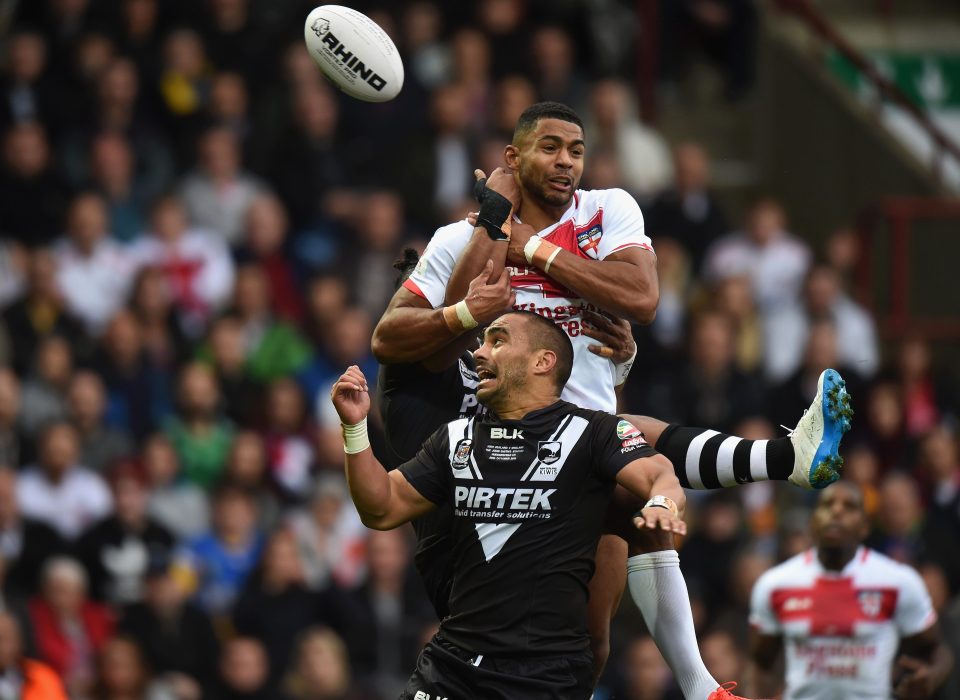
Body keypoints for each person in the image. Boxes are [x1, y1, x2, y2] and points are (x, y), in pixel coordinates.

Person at [372, 101, 852, 699]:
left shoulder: (608, 210)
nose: (566, 161)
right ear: (512, 158)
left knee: (593, 641)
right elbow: (388, 339)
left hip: (587, 446)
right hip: (503, 458)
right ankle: (779, 470)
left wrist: (537, 252)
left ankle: (784, 470)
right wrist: (486, 252)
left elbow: (642, 298)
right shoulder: (458, 239)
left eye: (576, 149)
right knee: (629, 459)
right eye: (550, 147)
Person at [332, 310, 688, 699]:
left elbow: (659, 474)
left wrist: (663, 505)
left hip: (545, 675)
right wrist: (354, 428)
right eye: (482, 342)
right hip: (453, 667)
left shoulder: (593, 432)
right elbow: (381, 507)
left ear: (542, 361)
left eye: (497, 341)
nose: (479, 353)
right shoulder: (454, 439)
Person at [749, 481, 953, 699]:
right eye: (827, 505)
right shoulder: (776, 585)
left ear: (865, 526)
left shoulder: (897, 582)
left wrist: (931, 677)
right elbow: (760, 663)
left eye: (849, 506)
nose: (836, 511)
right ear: (813, 522)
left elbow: (938, 651)